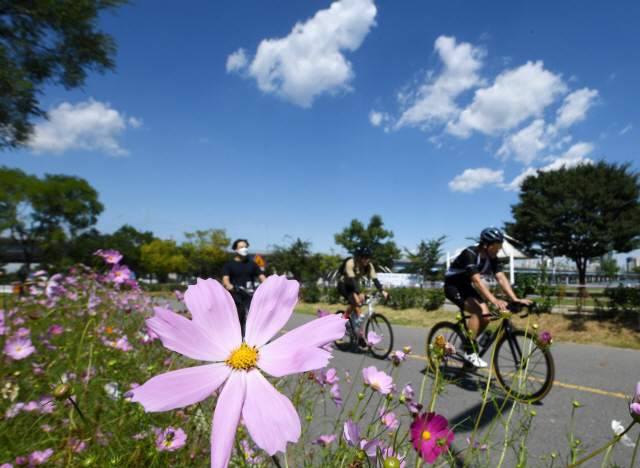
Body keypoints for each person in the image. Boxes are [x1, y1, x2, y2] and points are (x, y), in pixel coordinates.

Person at [444, 227, 531, 368]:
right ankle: (469, 351)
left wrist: (515, 299)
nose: (498, 249)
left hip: (466, 287)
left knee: (487, 316)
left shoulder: (492, 258)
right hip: (453, 286)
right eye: (496, 245)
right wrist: (495, 301)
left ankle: (467, 342)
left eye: (500, 245)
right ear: (485, 244)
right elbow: (477, 281)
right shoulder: (470, 253)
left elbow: (501, 277)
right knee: (478, 312)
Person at [337, 245, 389, 330]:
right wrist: (359, 293)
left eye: (369, 257)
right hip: (344, 285)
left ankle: (359, 336)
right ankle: (343, 319)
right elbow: (352, 279)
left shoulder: (369, 266)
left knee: (358, 309)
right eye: (366, 257)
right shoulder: (350, 263)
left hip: (354, 287)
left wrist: (383, 291)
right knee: (356, 301)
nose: (368, 260)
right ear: (359, 257)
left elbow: (375, 279)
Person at [222, 239, 267, 332]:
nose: (244, 249)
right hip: (236, 292)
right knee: (240, 312)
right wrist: (228, 285)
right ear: (235, 249)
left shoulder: (252, 264)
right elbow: (225, 278)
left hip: (249, 292)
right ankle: (239, 334)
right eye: (241, 247)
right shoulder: (229, 265)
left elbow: (261, 276)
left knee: (256, 313)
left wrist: (268, 284)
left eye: (246, 247)